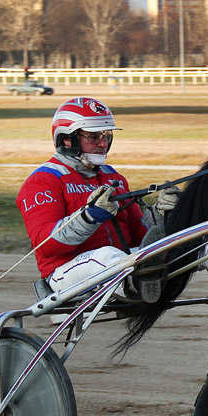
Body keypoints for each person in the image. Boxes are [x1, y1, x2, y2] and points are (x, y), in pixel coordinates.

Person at [17, 96, 150, 294]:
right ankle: (136, 286)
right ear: (67, 139)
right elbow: (46, 245)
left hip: (118, 263)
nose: (103, 144)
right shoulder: (43, 181)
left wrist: (164, 217)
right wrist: (88, 218)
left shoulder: (113, 176)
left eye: (106, 136)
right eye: (93, 136)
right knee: (105, 256)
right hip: (64, 274)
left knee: (176, 244)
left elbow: (141, 236)